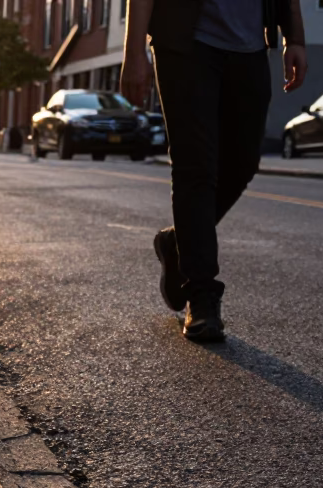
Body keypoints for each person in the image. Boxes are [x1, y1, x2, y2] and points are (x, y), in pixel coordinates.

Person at [121, 0, 308, 341]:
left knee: (243, 163)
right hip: (185, 41)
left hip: (249, 47)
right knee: (196, 167)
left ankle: (180, 242)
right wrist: (134, 51)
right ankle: (201, 296)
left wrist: (295, 37)